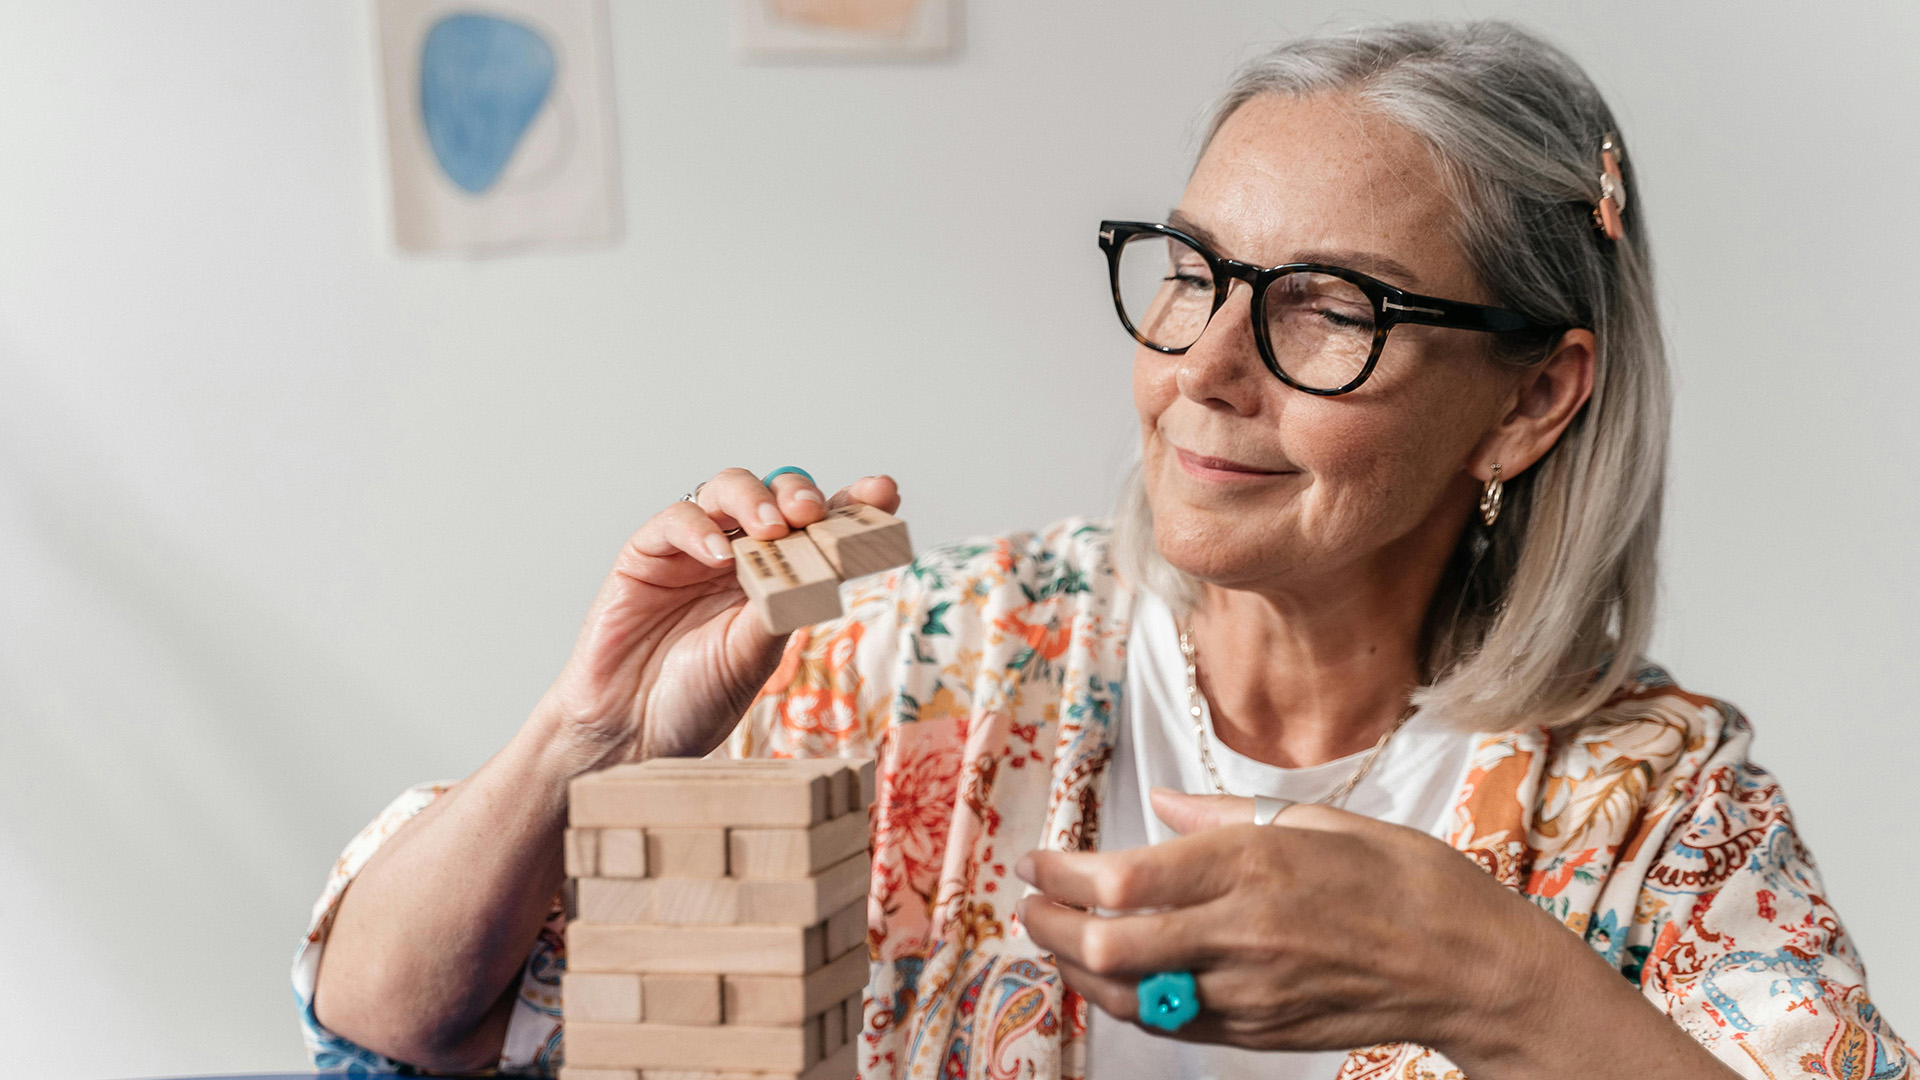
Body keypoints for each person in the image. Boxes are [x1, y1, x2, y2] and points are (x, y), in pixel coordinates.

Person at [295, 20, 1915, 1080]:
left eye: (1328, 310)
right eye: (1194, 271)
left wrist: (1489, 979)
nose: (1207, 363)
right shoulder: (924, 662)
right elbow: (389, 1030)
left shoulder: (1656, 804)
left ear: (1534, 400)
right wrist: (584, 738)